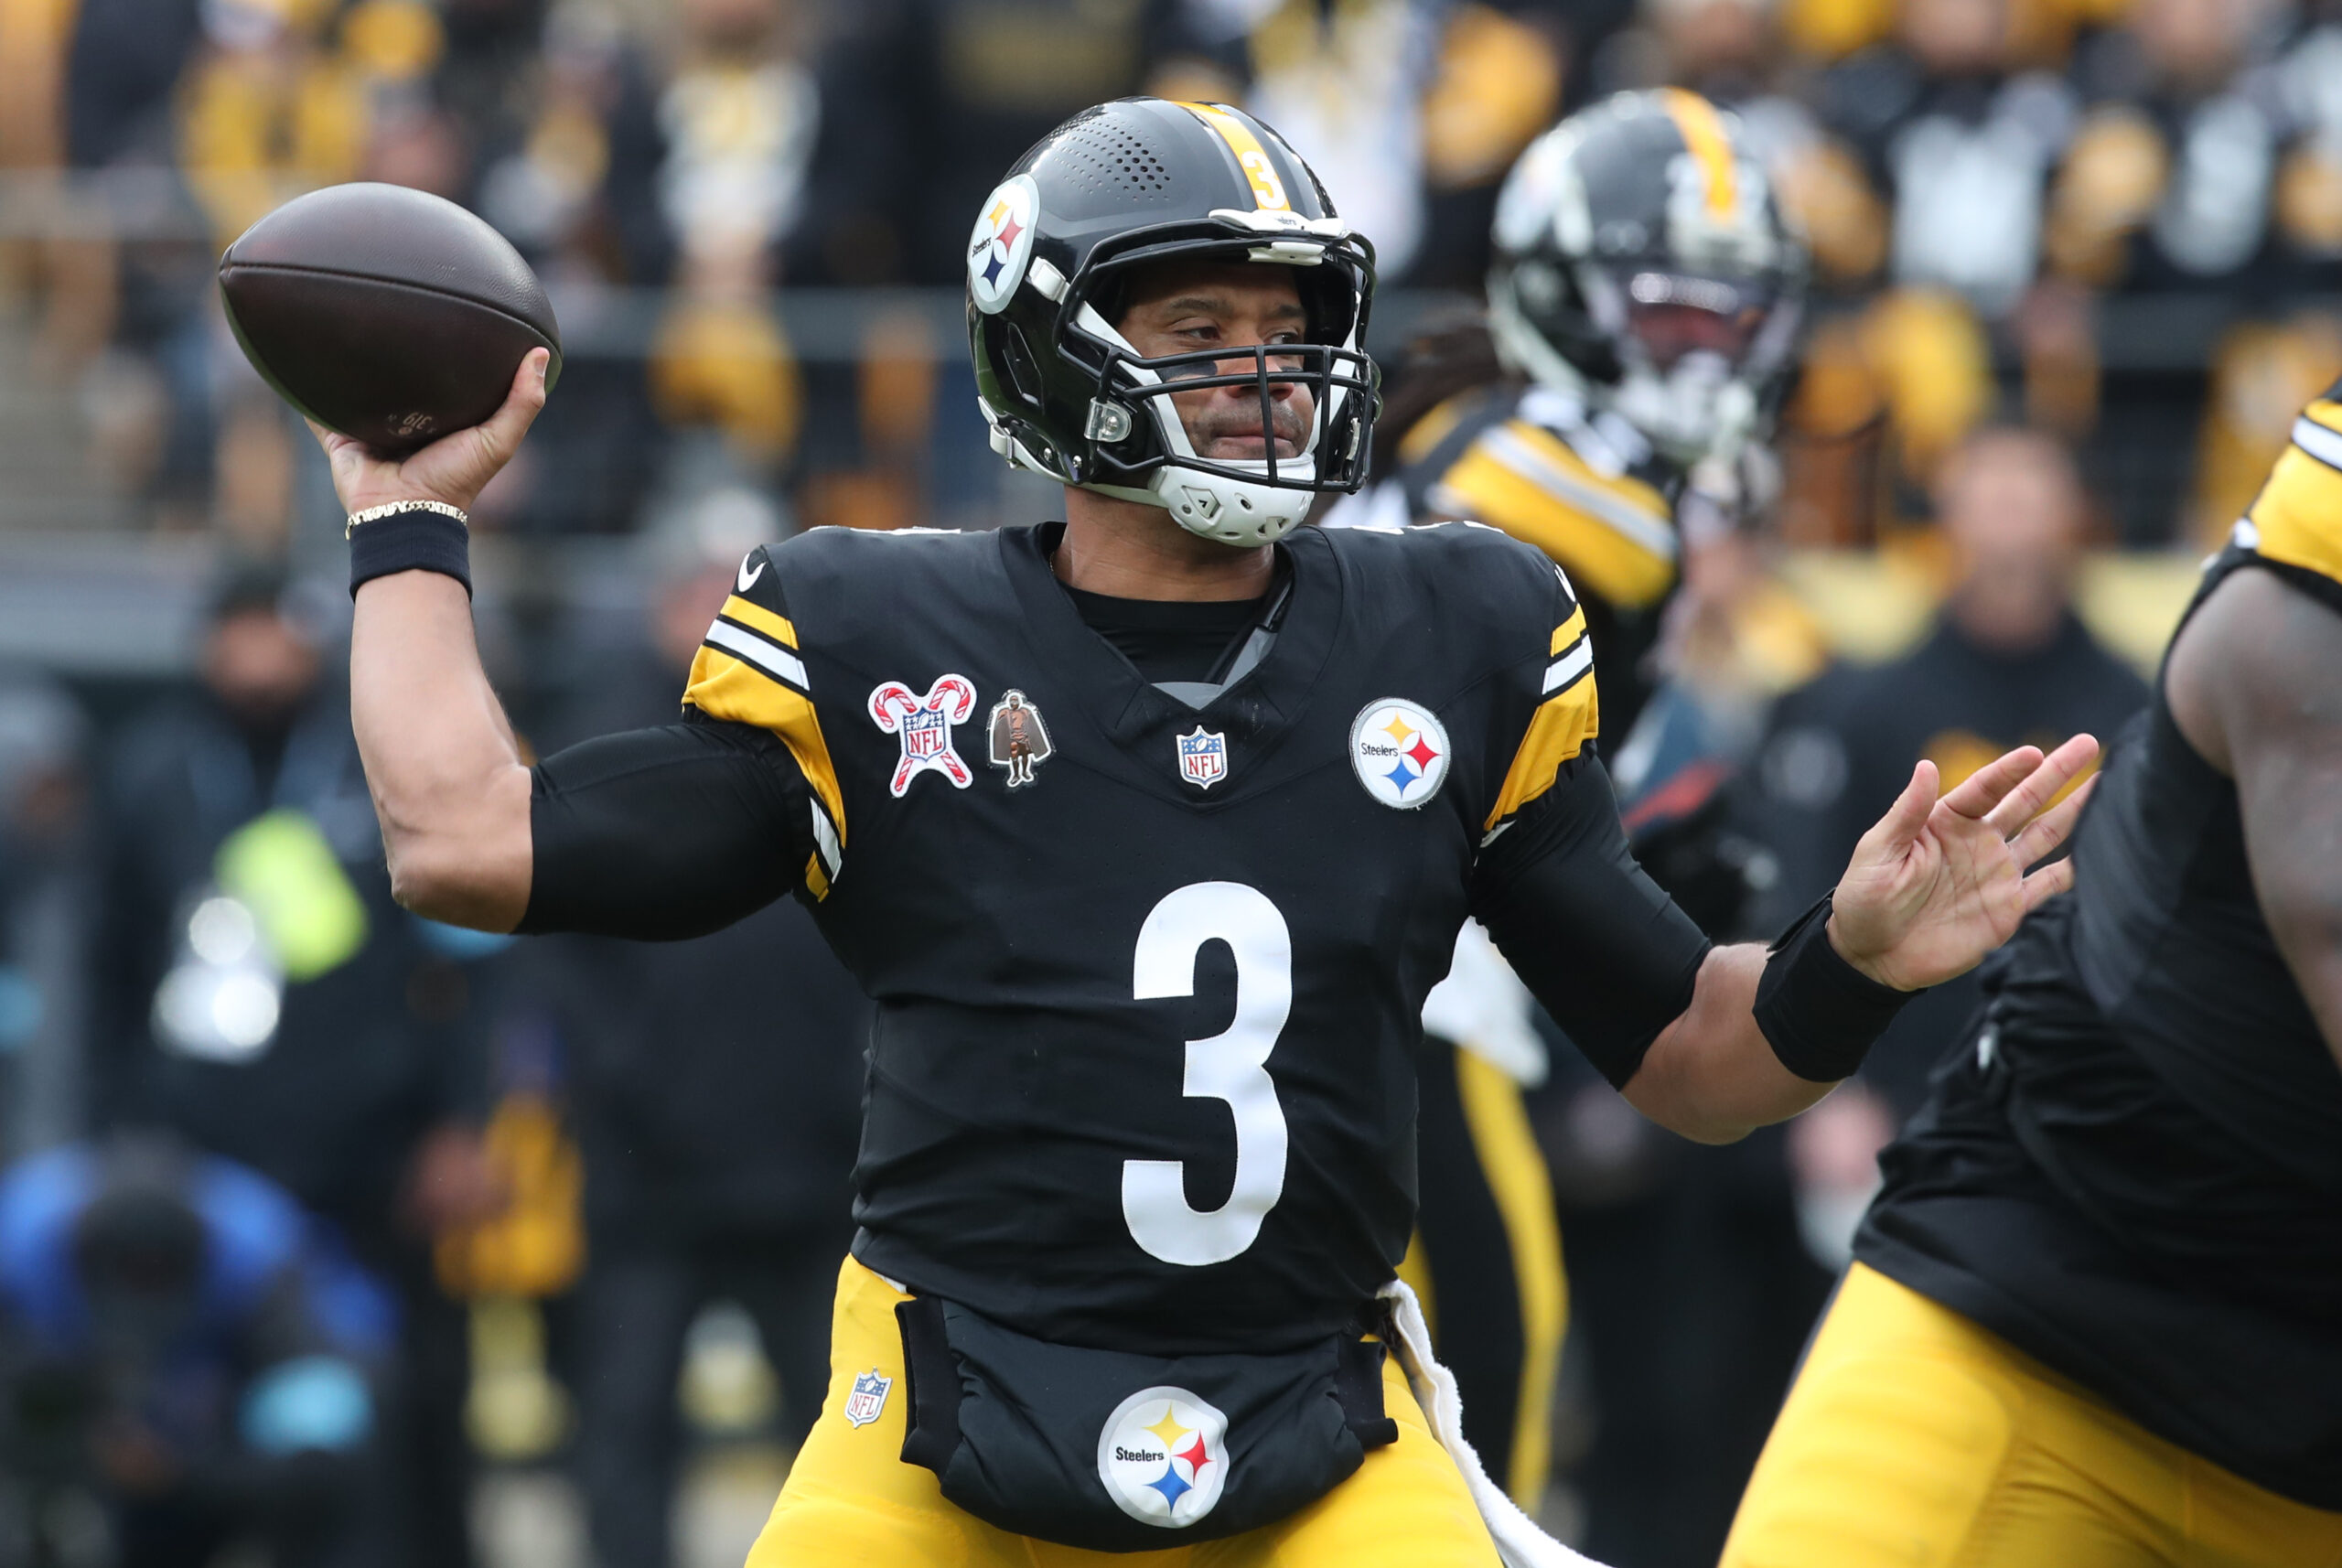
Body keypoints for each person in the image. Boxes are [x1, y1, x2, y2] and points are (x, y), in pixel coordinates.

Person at [306, 96, 2090, 1568]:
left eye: (1290, 329)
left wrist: (1841, 966)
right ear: (1050, 358)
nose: (1263, 374)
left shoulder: (1457, 628)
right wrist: (403, 523)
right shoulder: (872, 637)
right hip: (939, 1420)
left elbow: (1687, 1059)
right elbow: (465, 836)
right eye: (1197, 332)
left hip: (1314, 1413)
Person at [1719, 389, 2342, 1564]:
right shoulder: (1873, 696)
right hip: (2053, 1310)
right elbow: (1792, 918)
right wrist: (1835, 1067)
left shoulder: (2104, 671)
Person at [1327, 88, 1812, 1548]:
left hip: (1360, 955)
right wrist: (1653, 825)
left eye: (1734, 318)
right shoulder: (1567, 486)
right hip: (1398, 982)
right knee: (1493, 1370)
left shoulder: (1506, 428)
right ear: (1566, 293)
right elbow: (1470, 755)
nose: (1707, 352)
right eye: (1669, 313)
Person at [88, 567, 500, 1568]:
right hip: (200, 1161)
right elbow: (105, 970)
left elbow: (466, 959)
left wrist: (463, 1119)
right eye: (240, 631)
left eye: (280, 632)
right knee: (182, 1402)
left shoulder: (375, 765)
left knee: (397, 1402)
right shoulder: (153, 773)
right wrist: (112, 1140)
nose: (260, 656)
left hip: (370, 1161)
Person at [529, 509, 872, 1568]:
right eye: (698, 590)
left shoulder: (841, 736)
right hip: (648, 1172)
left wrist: (846, 1093)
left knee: (839, 1435)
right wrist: (619, 1084)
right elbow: (554, 946)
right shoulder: (601, 739)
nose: (718, 614)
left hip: (808, 1170)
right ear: (657, 603)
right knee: (623, 1425)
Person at [0, 1135, 392, 1568]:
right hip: (69, 1400)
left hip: (214, 1424)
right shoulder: (19, 1246)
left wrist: (186, 1472)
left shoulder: (265, 1259)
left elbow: (323, 1446)